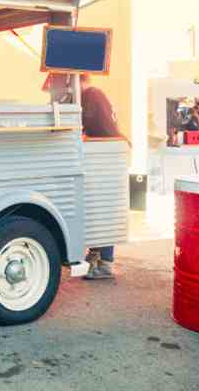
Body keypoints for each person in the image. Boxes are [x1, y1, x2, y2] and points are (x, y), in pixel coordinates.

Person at [79, 73, 123, 279]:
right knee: (98, 204)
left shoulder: (92, 95)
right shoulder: (91, 95)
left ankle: (105, 264)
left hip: (108, 155)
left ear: (78, 80)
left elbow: (91, 127)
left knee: (104, 207)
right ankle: (96, 253)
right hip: (107, 153)